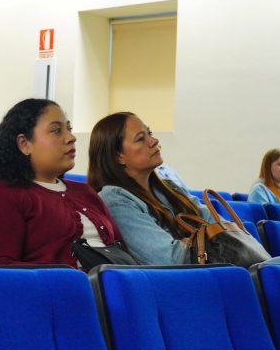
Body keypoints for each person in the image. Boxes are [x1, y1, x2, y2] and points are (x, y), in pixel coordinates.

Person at [0, 99, 122, 267]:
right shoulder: (0, 196)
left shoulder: (84, 191)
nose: (71, 137)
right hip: (65, 285)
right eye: (56, 130)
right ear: (25, 144)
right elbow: (1, 271)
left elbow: (122, 251)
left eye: (69, 129)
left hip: (116, 281)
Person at [87, 112, 216, 265]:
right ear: (118, 156)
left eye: (150, 133)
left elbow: (221, 231)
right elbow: (170, 259)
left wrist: (192, 244)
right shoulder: (115, 199)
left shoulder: (170, 187)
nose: (154, 141)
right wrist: (207, 243)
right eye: (140, 139)